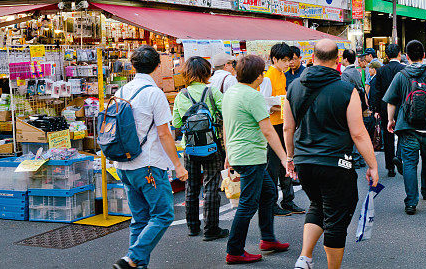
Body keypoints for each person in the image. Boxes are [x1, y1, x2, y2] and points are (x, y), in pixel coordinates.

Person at [283, 40, 379, 269]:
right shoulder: (346, 89)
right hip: (336, 163)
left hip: (305, 161)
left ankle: (304, 258)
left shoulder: (294, 87)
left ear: (312, 57)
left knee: (318, 204)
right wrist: (373, 165)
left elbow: (288, 127)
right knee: (336, 217)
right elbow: (358, 133)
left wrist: (290, 157)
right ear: (337, 60)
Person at [113, 46, 189, 269]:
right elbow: (165, 133)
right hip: (148, 166)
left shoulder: (121, 91)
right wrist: (178, 165)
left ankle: (136, 265)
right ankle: (132, 258)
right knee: (164, 215)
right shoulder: (154, 93)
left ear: (133, 66)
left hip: (124, 164)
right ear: (158, 66)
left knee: (140, 220)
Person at [222, 54, 293, 264]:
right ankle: (234, 250)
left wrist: (228, 152)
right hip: (251, 155)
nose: (263, 76)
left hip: (239, 152)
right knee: (247, 204)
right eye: (262, 72)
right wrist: (284, 157)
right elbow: (269, 131)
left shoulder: (231, 92)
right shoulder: (253, 96)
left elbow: (227, 125)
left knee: (269, 192)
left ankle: (268, 239)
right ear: (258, 76)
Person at [383, 40, 426, 214]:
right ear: (423, 55)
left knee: (409, 164)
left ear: (406, 56)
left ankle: (411, 202)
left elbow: (391, 101)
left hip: (407, 128)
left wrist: (390, 120)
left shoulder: (401, 75)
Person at [171, 56, 228, 240]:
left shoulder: (181, 95)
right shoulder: (212, 93)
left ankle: (192, 227)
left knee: (192, 187)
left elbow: (177, 123)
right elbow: (226, 113)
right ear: (206, 72)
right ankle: (211, 229)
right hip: (213, 146)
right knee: (211, 185)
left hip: (191, 148)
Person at [261, 43, 304, 216]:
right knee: (273, 167)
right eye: (285, 60)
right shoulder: (268, 77)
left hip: (283, 124)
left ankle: (288, 201)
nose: (288, 63)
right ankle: (271, 204)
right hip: (272, 126)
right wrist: (284, 107)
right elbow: (263, 104)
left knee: (287, 163)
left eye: (290, 60)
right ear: (274, 59)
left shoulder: (282, 75)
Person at [374, 43, 406, 177]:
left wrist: (376, 109)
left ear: (386, 56)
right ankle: (399, 156)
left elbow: (376, 91)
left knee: (388, 136)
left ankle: (390, 167)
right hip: (403, 106)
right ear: (399, 54)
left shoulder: (381, 70)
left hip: (385, 106)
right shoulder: (404, 69)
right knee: (403, 134)